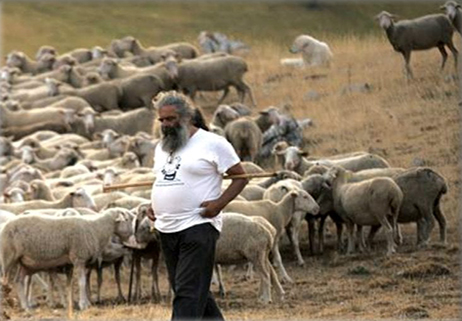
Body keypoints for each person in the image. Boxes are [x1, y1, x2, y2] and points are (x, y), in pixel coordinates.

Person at [146, 91, 248, 320]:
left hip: (198, 225)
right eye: (162, 120)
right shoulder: (161, 148)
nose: (166, 125)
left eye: (171, 119)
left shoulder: (213, 143)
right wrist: (153, 203)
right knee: (189, 290)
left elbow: (241, 177)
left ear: (186, 117)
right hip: (166, 227)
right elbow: (162, 179)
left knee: (187, 293)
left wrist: (218, 205)